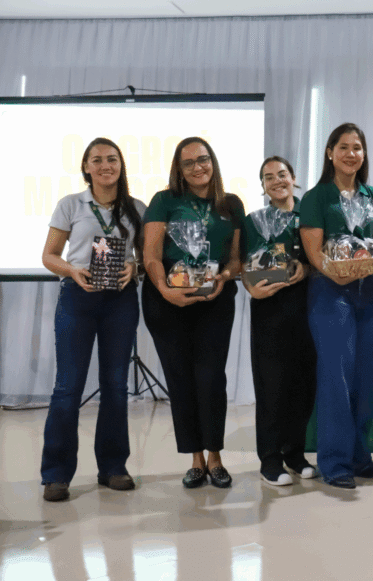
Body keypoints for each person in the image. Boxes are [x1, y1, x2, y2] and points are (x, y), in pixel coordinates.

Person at [39, 137, 146, 502]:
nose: (106, 165)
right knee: (68, 389)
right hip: (77, 298)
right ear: (86, 167)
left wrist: (135, 266)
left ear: (121, 165)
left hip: (120, 301)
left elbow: (150, 258)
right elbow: (49, 256)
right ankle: (56, 475)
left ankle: (113, 467)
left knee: (115, 387)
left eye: (112, 159)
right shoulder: (71, 204)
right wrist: (71, 270)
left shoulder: (136, 207)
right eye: (97, 160)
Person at [142, 137, 244, 489]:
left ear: (213, 162)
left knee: (212, 378)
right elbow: (152, 255)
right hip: (166, 301)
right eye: (189, 163)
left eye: (204, 159)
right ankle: (195, 459)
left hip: (215, 298)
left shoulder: (230, 204)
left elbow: (235, 259)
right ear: (179, 169)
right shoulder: (164, 200)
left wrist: (225, 276)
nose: (198, 167)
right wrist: (166, 290)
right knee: (181, 379)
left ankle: (215, 455)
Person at [300, 123, 373, 489]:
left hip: (367, 292)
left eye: (357, 147)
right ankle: (334, 462)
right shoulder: (316, 197)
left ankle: (359, 456)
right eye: (343, 147)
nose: (351, 153)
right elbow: (313, 251)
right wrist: (335, 272)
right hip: (329, 291)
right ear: (329, 153)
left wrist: (366, 265)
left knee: (366, 377)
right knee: (336, 378)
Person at [242, 156, 317, 486]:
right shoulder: (253, 221)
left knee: (303, 383)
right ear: (262, 186)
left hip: (308, 305)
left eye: (282, 174)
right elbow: (243, 264)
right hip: (269, 307)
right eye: (268, 177)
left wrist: (308, 269)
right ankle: (270, 459)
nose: (276, 181)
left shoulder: (311, 214)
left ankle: (295, 454)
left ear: (294, 177)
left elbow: (323, 255)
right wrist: (251, 288)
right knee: (272, 385)